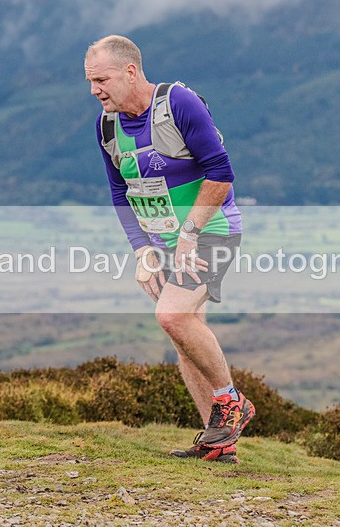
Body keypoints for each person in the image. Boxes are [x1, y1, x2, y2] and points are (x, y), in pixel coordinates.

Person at [85, 35, 255, 463]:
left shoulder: (178, 104)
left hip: (211, 232)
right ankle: (220, 445)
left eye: (101, 79)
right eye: (89, 82)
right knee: (185, 338)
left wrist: (190, 233)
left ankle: (231, 400)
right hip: (164, 245)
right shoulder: (107, 127)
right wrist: (142, 251)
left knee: (173, 315)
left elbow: (222, 174)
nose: (94, 90)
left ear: (131, 71)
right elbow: (119, 194)